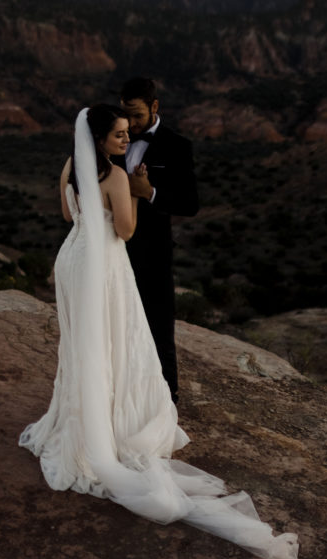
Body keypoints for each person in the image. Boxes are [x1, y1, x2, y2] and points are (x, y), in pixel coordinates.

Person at [18, 105, 298, 559]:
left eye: (128, 134)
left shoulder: (71, 165)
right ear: (102, 139)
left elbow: (69, 214)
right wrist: (129, 194)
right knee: (116, 339)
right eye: (119, 135)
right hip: (104, 263)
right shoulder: (115, 178)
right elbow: (126, 230)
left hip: (73, 259)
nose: (125, 141)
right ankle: (112, 418)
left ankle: (83, 412)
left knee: (84, 342)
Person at [118, 77, 199, 404]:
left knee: (159, 327)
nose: (132, 124)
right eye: (126, 116)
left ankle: (167, 399)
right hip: (114, 248)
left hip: (153, 251)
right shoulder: (115, 137)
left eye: (137, 115)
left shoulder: (178, 146)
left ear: (154, 107)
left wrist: (149, 192)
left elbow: (190, 204)